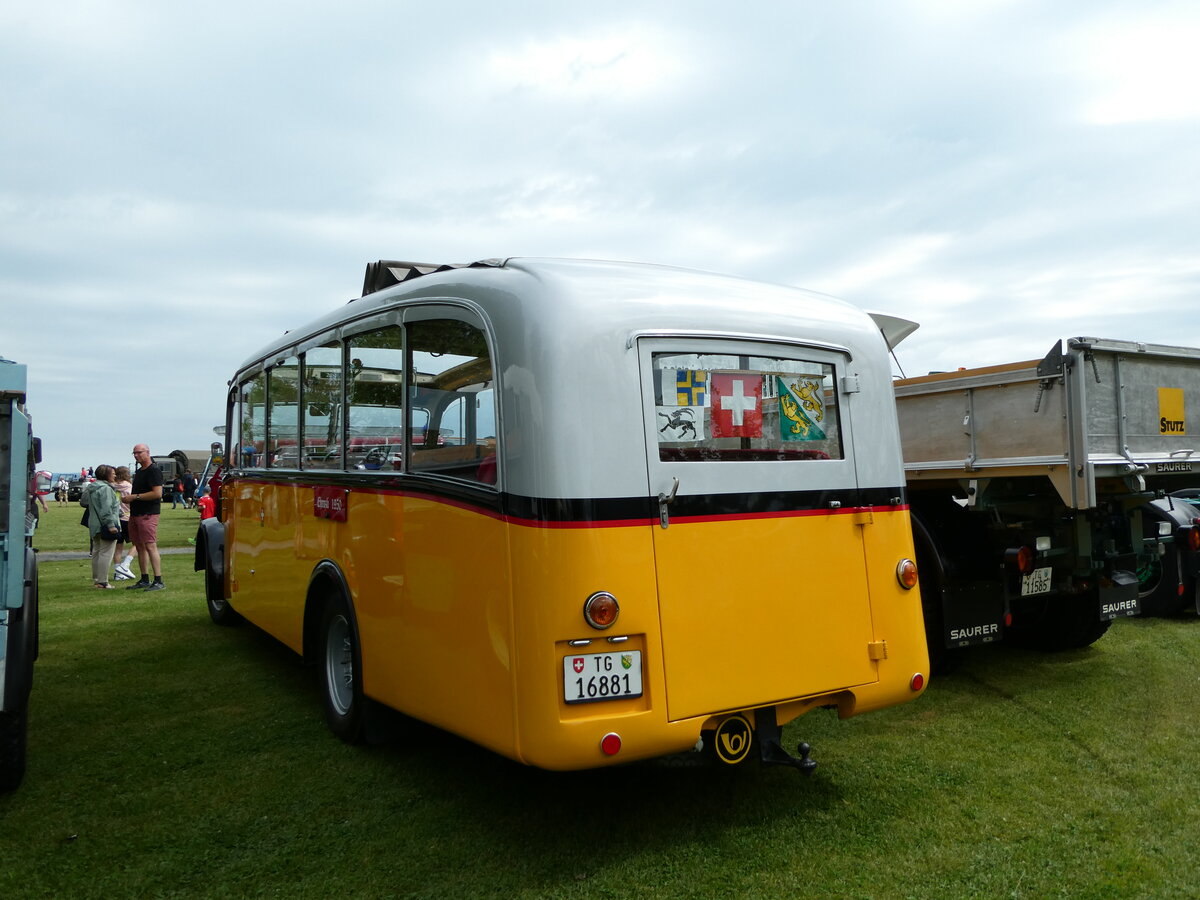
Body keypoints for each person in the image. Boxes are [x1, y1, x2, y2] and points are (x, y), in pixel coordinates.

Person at [121, 443, 165, 591]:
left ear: (147, 452)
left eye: (139, 452)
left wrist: (135, 497)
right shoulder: (139, 471)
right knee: (139, 546)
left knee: (150, 545)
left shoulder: (154, 471)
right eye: (134, 453)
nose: (136, 455)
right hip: (135, 513)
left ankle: (158, 580)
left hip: (148, 513)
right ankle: (144, 578)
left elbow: (157, 493)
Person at [82, 464, 122, 589]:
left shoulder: (91, 487)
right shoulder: (106, 489)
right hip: (105, 525)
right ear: (106, 475)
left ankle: (97, 579)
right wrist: (111, 525)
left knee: (97, 551)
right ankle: (103, 581)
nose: (115, 475)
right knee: (106, 553)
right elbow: (106, 509)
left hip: (94, 523)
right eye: (113, 473)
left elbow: (83, 502)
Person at [111, 465, 136, 581]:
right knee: (138, 543)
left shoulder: (113, 487)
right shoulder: (129, 487)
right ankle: (126, 564)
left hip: (116, 519)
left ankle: (118, 572)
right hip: (127, 517)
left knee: (118, 547)